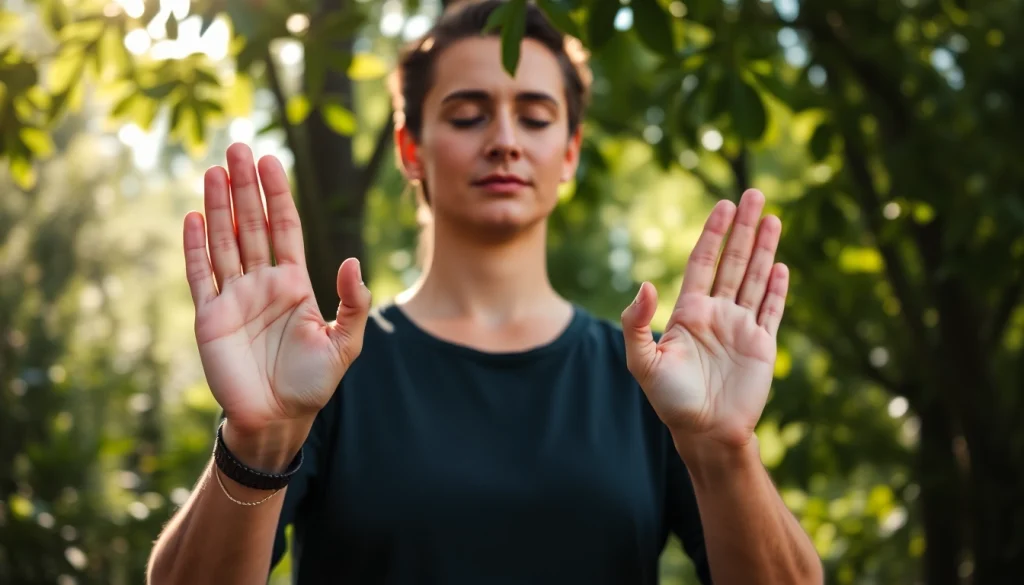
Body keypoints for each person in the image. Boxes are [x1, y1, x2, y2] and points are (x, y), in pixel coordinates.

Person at [146, 1, 823, 583]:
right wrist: (256, 442)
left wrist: (725, 447)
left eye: (534, 116)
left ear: (570, 152)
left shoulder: (654, 381)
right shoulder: (323, 371)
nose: (504, 140)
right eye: (468, 114)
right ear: (411, 150)